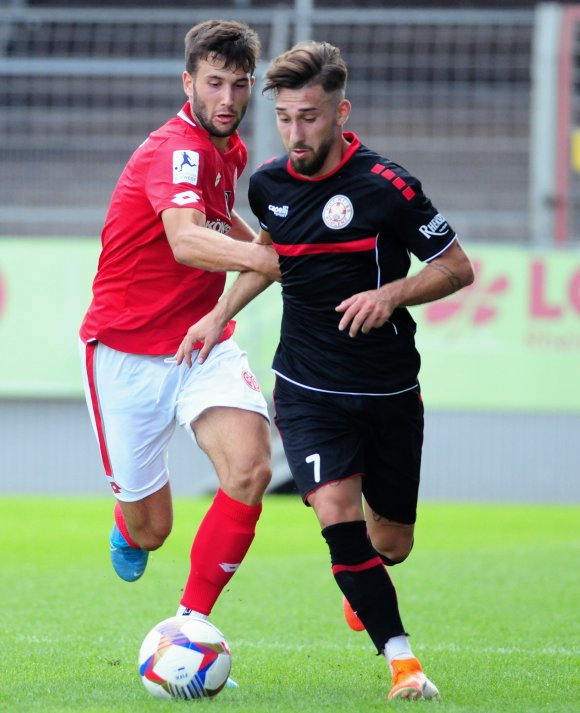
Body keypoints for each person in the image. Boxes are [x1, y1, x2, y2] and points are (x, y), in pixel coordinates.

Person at [175, 41, 474, 701]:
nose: (295, 131)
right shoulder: (270, 187)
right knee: (335, 511)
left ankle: (366, 575)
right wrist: (216, 313)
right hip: (308, 387)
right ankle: (404, 663)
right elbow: (264, 258)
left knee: (390, 541)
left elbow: (459, 267)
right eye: (284, 117)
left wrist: (390, 293)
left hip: (390, 387)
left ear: (342, 112)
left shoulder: (387, 187)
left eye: (309, 116)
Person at [78, 19, 280, 629]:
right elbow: (188, 241)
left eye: (239, 85)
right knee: (152, 531)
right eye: (214, 83)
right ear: (187, 81)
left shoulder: (231, 151)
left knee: (251, 469)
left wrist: (276, 251)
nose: (227, 99)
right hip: (126, 353)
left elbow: (220, 223)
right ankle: (128, 524)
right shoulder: (176, 149)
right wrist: (268, 259)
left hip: (202, 343)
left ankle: (190, 624)